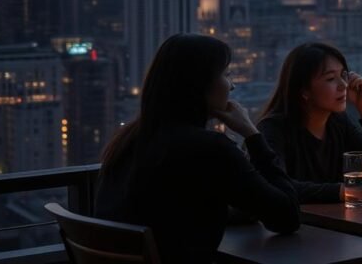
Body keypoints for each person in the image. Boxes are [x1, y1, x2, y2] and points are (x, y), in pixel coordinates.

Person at [95, 34, 299, 264]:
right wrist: (252, 134)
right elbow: (287, 218)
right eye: (226, 74)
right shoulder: (210, 148)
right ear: (200, 84)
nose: (232, 85)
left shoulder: (129, 139)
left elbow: (167, 211)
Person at [257, 43, 362, 203]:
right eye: (330, 79)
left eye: (343, 75)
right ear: (304, 90)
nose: (343, 85)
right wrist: (342, 191)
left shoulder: (338, 122)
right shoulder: (273, 128)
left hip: (337, 216)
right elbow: (277, 185)